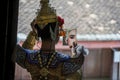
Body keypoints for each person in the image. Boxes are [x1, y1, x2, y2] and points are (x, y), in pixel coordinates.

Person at [15, 0, 89, 80]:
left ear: (37, 32)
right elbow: (77, 75)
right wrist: (74, 51)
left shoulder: (29, 58)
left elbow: (24, 50)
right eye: (59, 32)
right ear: (55, 33)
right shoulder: (65, 62)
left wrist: (33, 33)